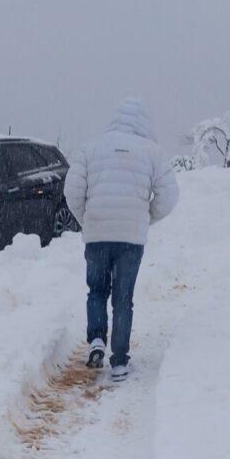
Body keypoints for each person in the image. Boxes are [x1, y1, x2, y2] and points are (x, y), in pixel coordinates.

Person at [64, 97, 178, 379]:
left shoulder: (90, 148)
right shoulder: (152, 152)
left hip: (98, 233)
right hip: (131, 239)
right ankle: (119, 361)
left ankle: (96, 340)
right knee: (123, 298)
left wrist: (87, 219)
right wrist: (145, 218)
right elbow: (169, 196)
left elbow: (72, 192)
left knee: (97, 290)